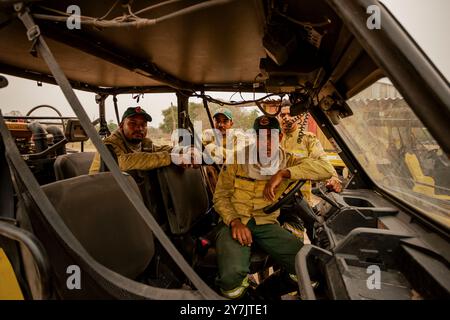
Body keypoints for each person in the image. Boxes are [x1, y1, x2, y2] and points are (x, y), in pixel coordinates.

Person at [213, 115, 334, 299]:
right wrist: (235, 221)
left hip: (266, 223)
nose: (266, 142)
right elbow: (220, 196)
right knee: (231, 280)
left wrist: (283, 173)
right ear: (255, 137)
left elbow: (326, 169)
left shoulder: (289, 160)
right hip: (235, 222)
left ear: (279, 138)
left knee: (309, 269)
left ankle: (263, 294)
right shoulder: (237, 158)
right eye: (261, 137)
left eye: (271, 136)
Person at [89, 106, 189, 174]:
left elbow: (160, 149)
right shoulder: (109, 144)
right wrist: (171, 158)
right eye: (132, 124)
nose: (139, 128)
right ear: (121, 126)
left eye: (143, 125)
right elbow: (123, 163)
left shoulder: (144, 143)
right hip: (102, 194)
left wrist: (185, 151)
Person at [278, 105, 342, 204]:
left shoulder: (308, 138)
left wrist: (334, 178)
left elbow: (322, 160)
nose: (286, 118)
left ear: (298, 118)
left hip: (300, 199)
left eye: (290, 114)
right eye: (282, 115)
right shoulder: (271, 139)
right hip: (275, 196)